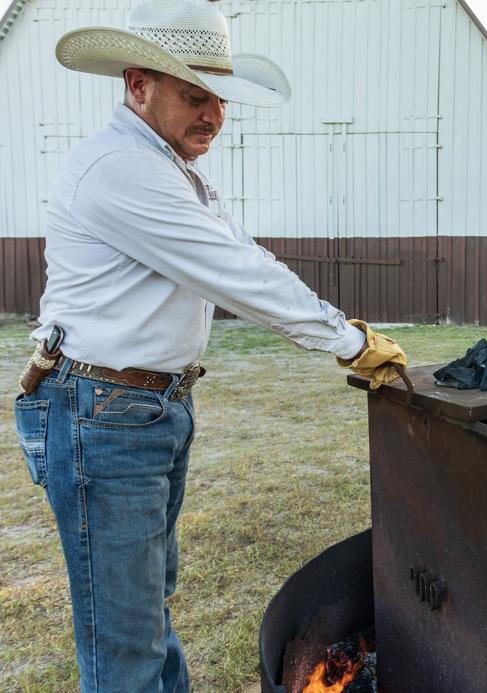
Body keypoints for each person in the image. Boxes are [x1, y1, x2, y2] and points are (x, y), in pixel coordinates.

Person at [12, 2, 405, 691]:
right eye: (195, 97)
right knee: (124, 636)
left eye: (218, 100)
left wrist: (342, 332)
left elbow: (235, 251)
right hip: (104, 412)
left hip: (142, 407)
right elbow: (235, 273)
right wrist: (347, 340)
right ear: (138, 85)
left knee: (142, 611)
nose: (214, 116)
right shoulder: (118, 169)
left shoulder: (168, 167)